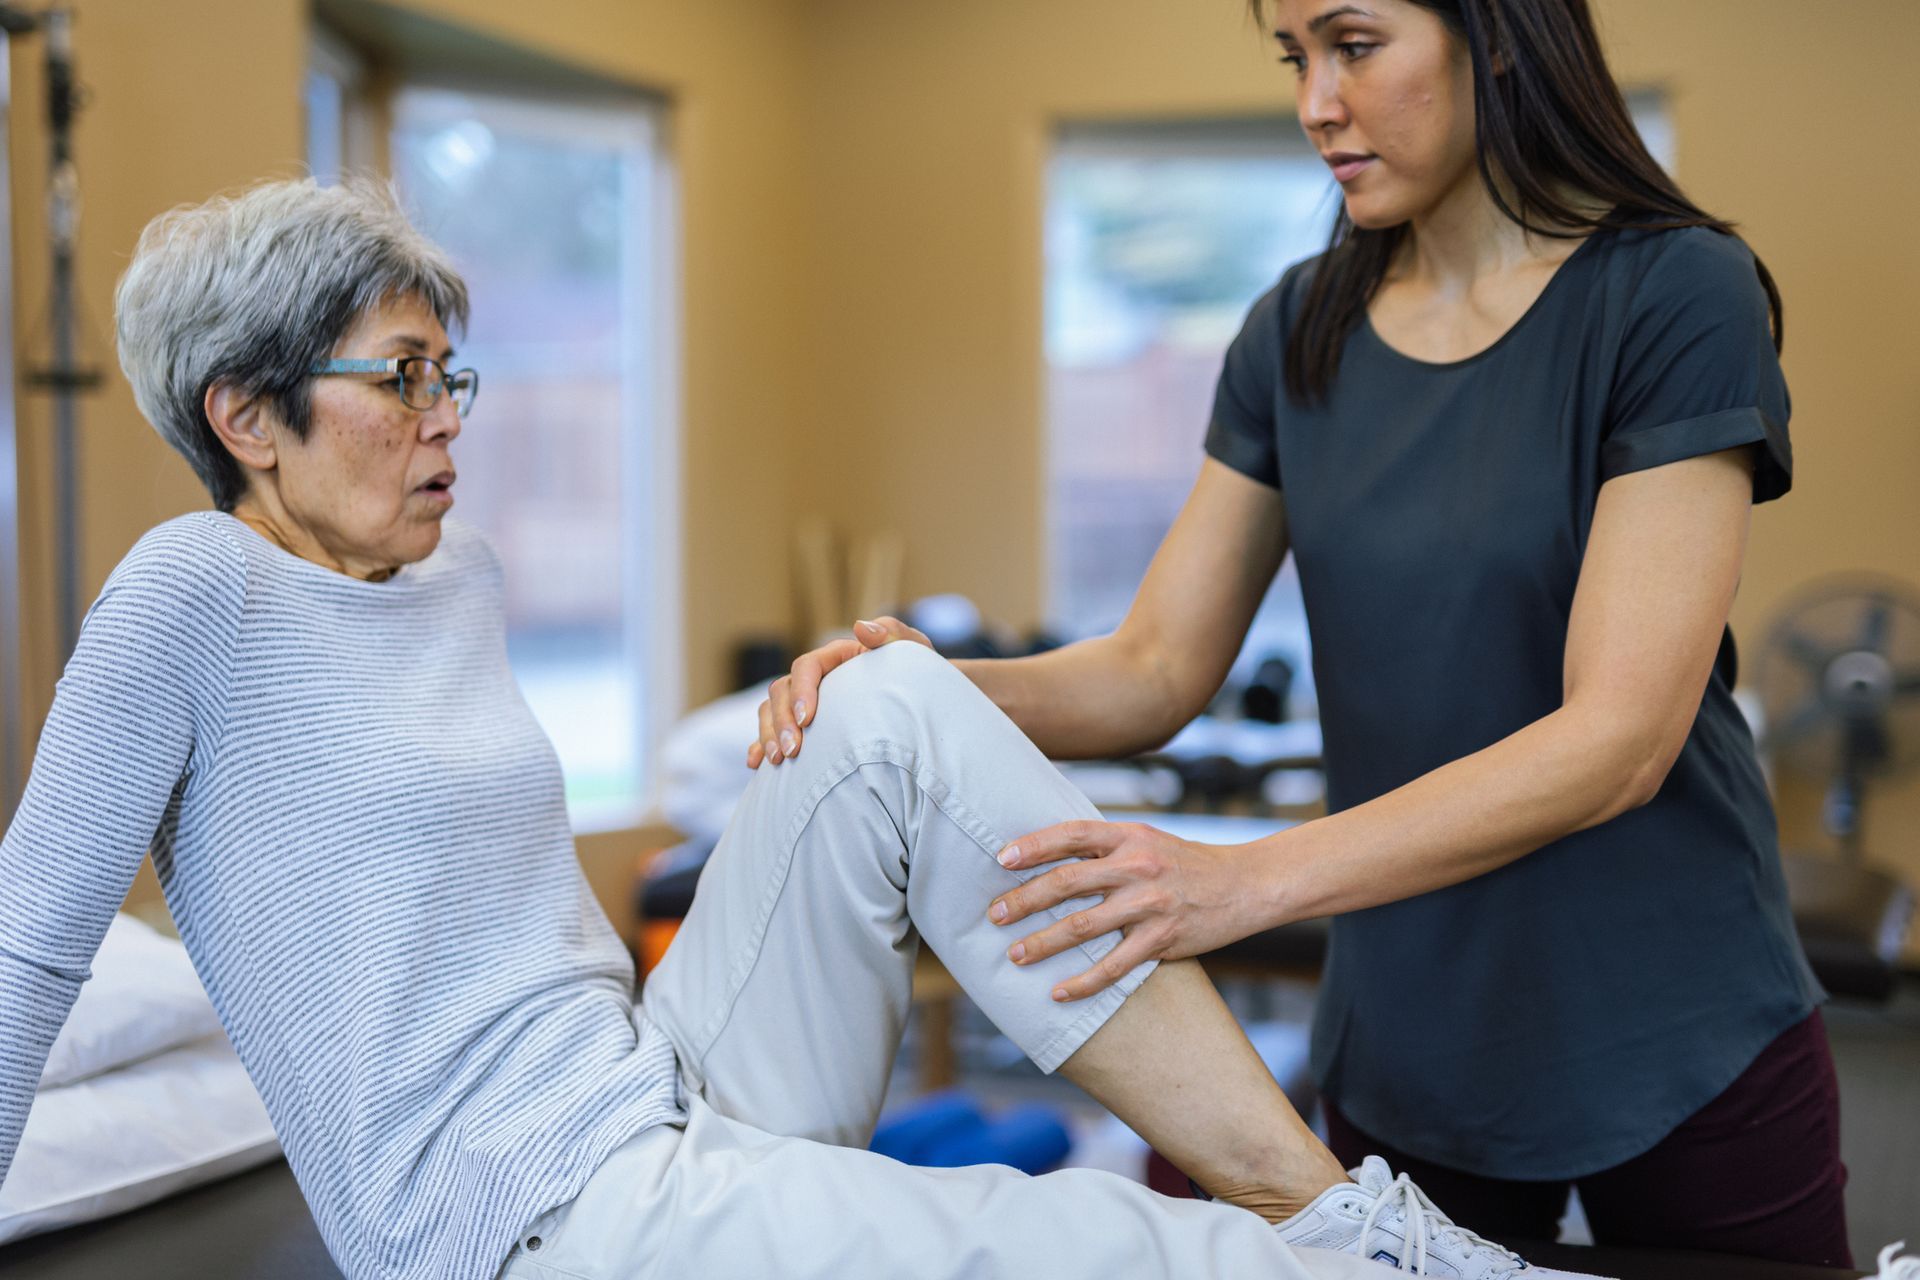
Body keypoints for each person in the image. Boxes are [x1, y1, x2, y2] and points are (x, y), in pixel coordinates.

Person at [0, 178, 1601, 1280]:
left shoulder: (454, 574)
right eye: (404, 376)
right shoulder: (188, 596)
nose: (449, 418)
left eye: (453, 373)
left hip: (657, 1086)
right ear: (246, 415)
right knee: (1073, 1245)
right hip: (530, 1227)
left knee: (889, 692)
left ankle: (1324, 1214)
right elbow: (28, 951)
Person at [752, 0, 1849, 1268]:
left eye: (1356, 45)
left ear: (1497, 34)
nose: (1315, 102)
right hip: (1418, 1028)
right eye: (1296, 58)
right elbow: (1152, 667)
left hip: (1680, 1011)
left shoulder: (1674, 292)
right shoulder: (1297, 327)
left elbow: (1620, 737)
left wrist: (1242, 878)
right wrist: (916, 687)